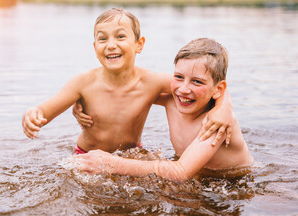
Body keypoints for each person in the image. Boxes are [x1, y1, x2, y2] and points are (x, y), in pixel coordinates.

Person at [22, 8, 233, 154]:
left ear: (139, 44)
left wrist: (222, 109)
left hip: (131, 154)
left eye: (120, 37)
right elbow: (44, 111)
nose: (111, 45)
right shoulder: (82, 83)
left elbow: (206, 87)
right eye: (103, 39)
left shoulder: (151, 82)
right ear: (95, 48)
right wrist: (32, 114)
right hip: (86, 153)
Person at [73, 38, 253, 181]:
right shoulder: (172, 100)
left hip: (234, 183)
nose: (184, 89)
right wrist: (84, 100)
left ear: (218, 90)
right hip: (199, 175)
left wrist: (111, 164)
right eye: (179, 77)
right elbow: (126, 91)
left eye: (197, 81)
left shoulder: (217, 123)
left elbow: (180, 172)